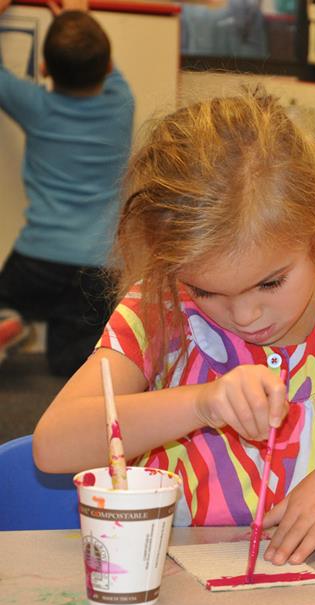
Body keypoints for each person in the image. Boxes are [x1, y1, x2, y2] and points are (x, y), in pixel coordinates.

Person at [33, 91, 315, 565]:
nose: (245, 316)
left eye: (270, 282)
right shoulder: (159, 310)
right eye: (206, 291)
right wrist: (200, 403)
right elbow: (53, 446)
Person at [0, 0, 133, 374]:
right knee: (71, 361)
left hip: (38, 258)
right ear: (106, 67)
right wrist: (80, 18)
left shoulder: (35, 106)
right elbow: (105, 65)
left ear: (44, 69)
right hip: (98, 267)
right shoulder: (123, 103)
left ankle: (10, 316)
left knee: (6, 299)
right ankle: (67, 368)